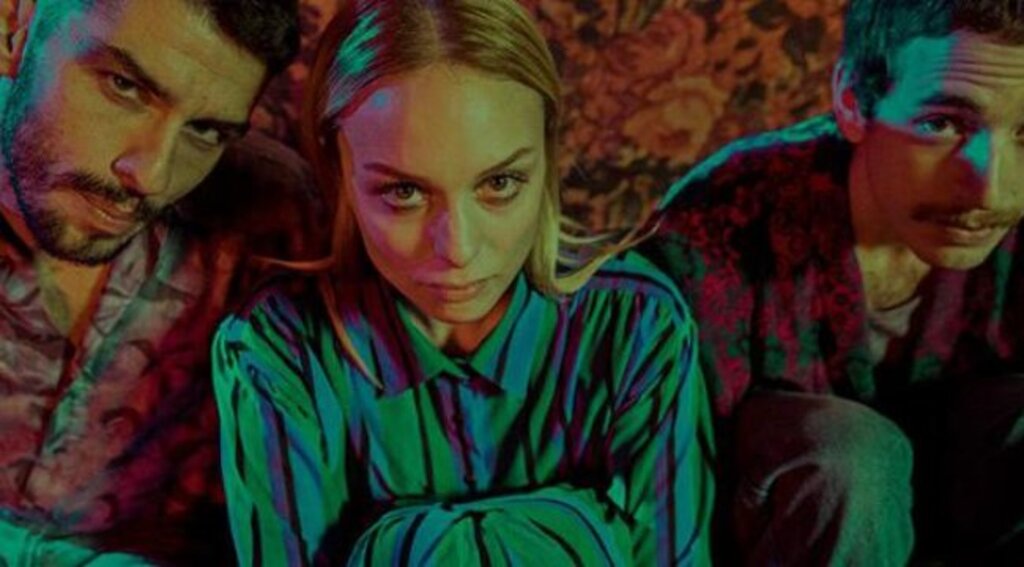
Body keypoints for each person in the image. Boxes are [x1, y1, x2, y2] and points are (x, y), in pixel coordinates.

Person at [211, 0, 715, 564]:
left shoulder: (636, 327)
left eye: (500, 183)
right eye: (404, 192)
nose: (459, 249)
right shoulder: (279, 351)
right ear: (338, 170)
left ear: (548, 153)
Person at [641, 0, 1024, 564]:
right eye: (940, 124)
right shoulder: (720, 226)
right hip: (776, 532)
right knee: (848, 455)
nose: (991, 189)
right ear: (852, 100)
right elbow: (657, 484)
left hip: (965, 510)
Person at [0, 0, 312, 563]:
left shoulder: (270, 229)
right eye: (124, 87)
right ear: (12, 28)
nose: (152, 175)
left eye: (206, 130)